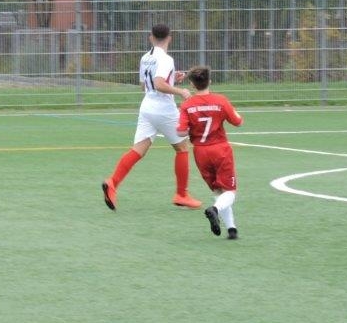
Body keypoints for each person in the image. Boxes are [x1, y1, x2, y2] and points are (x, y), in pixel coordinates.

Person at [101, 23, 202, 211]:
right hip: (163, 108)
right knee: (182, 148)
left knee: (138, 149)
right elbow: (159, 84)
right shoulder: (166, 59)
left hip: (147, 106)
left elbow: (145, 86)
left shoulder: (145, 57)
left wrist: (172, 79)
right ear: (169, 38)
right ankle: (182, 195)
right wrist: (181, 91)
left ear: (151, 37)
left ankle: (112, 182)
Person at [177, 65, 244, 240]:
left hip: (200, 152)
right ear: (210, 81)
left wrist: (192, 127)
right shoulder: (221, 100)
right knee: (230, 191)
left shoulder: (187, 105)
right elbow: (238, 122)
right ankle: (214, 210)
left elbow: (181, 132)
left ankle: (232, 229)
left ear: (192, 84)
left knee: (218, 191)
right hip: (220, 149)